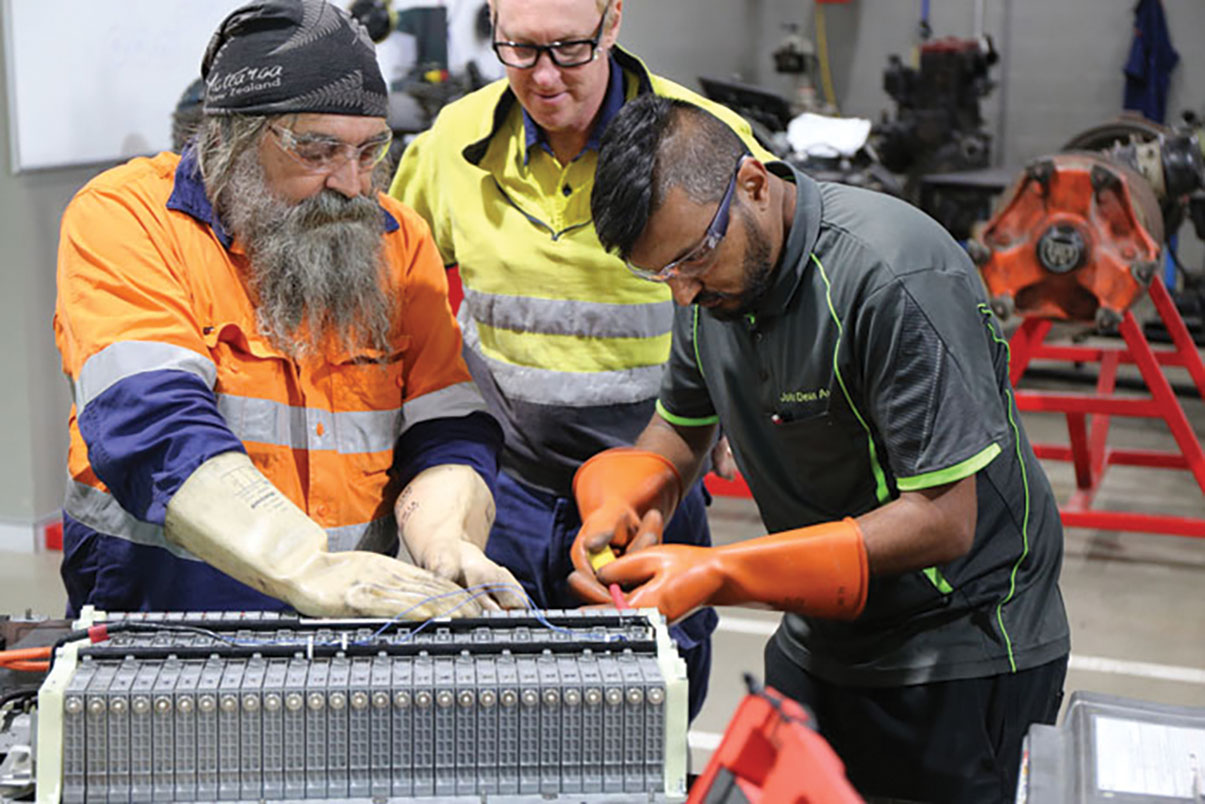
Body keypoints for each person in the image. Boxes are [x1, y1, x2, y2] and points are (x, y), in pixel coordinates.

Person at [575, 95, 1070, 803]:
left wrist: (722, 574)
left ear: (751, 183)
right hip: (822, 630)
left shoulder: (891, 275)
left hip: (960, 650)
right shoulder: (710, 284)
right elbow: (682, 427)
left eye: (690, 259)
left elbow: (940, 518)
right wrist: (626, 501)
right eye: (659, 275)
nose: (680, 294)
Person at [53, 0, 524, 620]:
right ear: (229, 138)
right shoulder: (127, 219)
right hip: (171, 616)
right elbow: (153, 426)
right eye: (318, 151)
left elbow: (446, 425)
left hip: (356, 619)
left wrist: (443, 539)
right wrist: (304, 566)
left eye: (369, 151)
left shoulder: (395, 239)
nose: (352, 184)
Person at [388, 0, 771, 720]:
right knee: (494, 706)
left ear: (612, 21)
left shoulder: (701, 142)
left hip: (653, 487)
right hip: (506, 490)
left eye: (567, 49)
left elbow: (770, 288)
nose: (542, 77)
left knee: (650, 701)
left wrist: (743, 405)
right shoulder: (452, 143)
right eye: (519, 50)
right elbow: (395, 288)